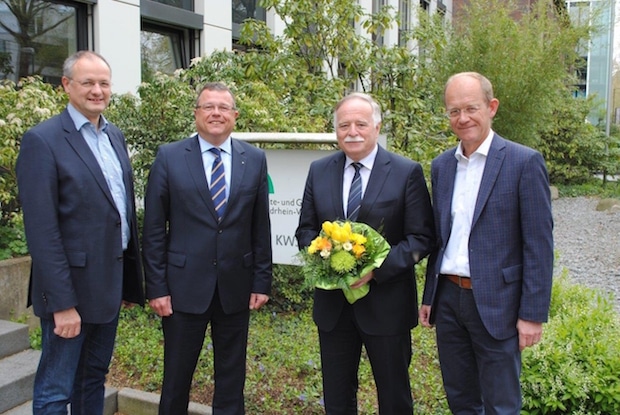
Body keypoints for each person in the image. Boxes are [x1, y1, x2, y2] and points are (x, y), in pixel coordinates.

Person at [15, 50, 145, 414]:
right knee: (56, 389)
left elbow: (118, 214)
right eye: (88, 82)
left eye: (103, 83)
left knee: (92, 380)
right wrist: (62, 305)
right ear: (67, 85)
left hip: (107, 285)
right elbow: (42, 231)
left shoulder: (114, 136)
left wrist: (123, 282)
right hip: (68, 293)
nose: (97, 90)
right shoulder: (43, 140)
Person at [420, 72, 554, 414]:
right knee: (461, 398)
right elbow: (440, 237)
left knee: (501, 403)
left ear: (491, 107)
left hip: (498, 303)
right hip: (449, 299)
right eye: (454, 111)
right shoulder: (442, 167)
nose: (463, 118)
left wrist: (532, 314)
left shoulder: (523, 162)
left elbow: (538, 245)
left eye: (471, 108)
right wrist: (430, 296)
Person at [296, 92, 435, 414]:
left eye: (361, 123)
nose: (352, 132)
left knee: (394, 394)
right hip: (333, 308)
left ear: (377, 126)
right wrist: (324, 256)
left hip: (387, 306)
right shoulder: (319, 171)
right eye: (344, 125)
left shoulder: (405, 171)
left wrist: (375, 268)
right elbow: (305, 230)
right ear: (336, 130)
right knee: (337, 394)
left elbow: (421, 237)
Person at [142, 82, 273, 415]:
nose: (216, 113)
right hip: (182, 288)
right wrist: (156, 287)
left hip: (236, 286)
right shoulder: (170, 157)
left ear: (235, 115)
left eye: (224, 107)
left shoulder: (254, 159)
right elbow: (155, 229)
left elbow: (260, 225)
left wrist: (261, 281)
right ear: (196, 113)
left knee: (232, 379)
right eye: (208, 107)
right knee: (176, 378)